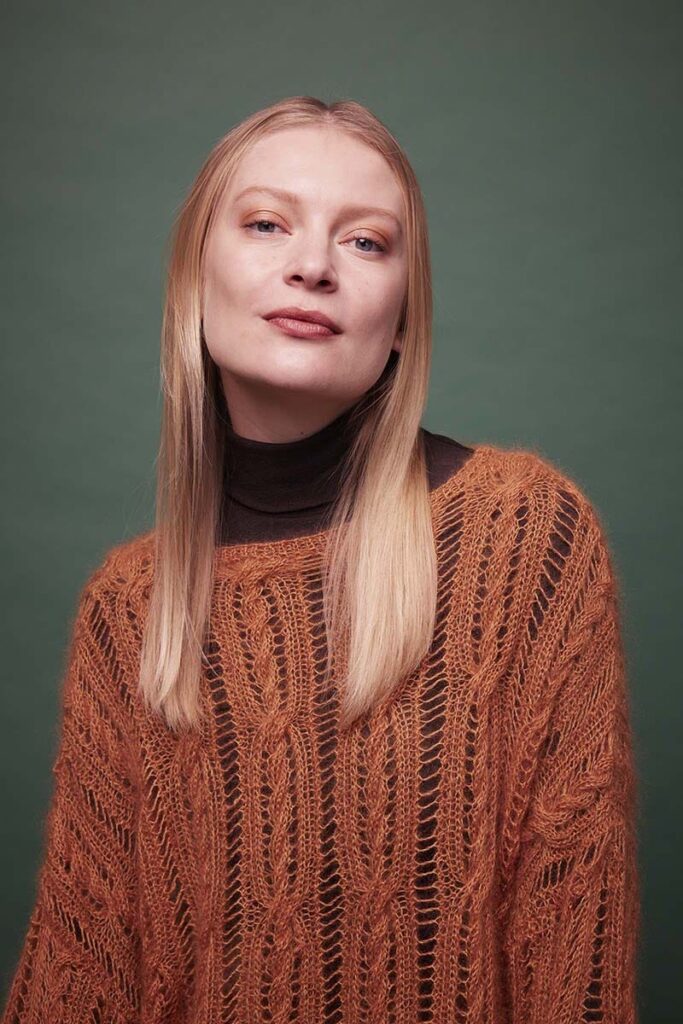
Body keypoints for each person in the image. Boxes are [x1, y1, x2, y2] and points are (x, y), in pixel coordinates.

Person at [2, 96, 640, 1023]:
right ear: (192, 278)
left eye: (366, 242)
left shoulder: (524, 536)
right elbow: (82, 967)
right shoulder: (130, 607)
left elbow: (570, 936)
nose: (312, 266)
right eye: (267, 224)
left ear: (403, 318)